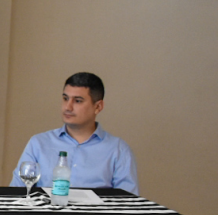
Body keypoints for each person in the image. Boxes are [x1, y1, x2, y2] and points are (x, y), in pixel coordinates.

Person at [10, 72, 138, 194]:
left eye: (78, 101)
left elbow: (127, 203)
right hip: (45, 210)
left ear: (98, 107)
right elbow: (17, 193)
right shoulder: (38, 144)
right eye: (65, 99)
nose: (68, 107)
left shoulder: (118, 150)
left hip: (94, 210)